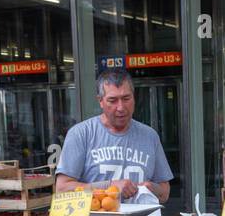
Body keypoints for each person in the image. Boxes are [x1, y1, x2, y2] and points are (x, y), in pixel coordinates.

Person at [55, 68, 172, 202]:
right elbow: (62, 190)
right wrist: (109, 187)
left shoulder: (150, 136)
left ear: (134, 97)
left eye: (126, 98)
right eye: (112, 100)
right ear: (100, 101)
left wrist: (151, 188)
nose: (121, 107)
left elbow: (165, 192)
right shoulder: (81, 134)